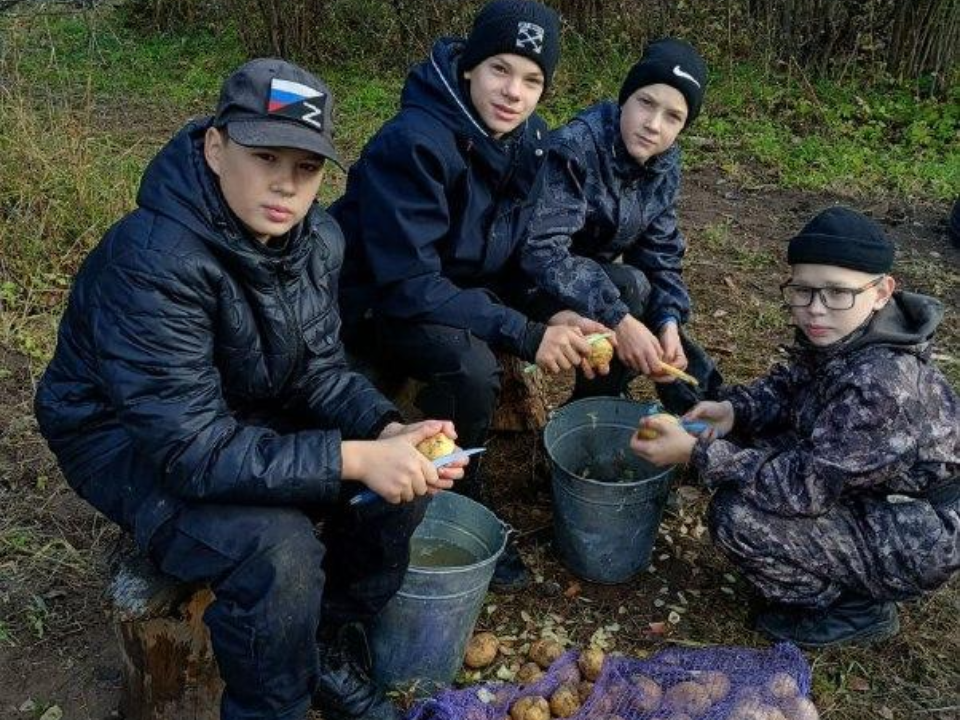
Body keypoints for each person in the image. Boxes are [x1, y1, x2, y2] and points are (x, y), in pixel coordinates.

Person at [34, 58, 467, 720]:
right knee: (277, 551)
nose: (286, 186)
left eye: (307, 168)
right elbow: (191, 451)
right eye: (266, 156)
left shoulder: (317, 237)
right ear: (215, 148)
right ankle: (275, 703)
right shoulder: (152, 260)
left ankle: (321, 643)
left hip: (234, 403)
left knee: (400, 484)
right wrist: (350, 458)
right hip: (124, 438)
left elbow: (318, 369)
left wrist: (385, 430)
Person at [331, 0, 607, 591]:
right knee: (472, 365)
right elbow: (408, 284)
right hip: (376, 300)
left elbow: (504, 259)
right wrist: (527, 335)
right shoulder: (414, 143)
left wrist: (549, 310)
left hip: (446, 289)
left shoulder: (525, 141)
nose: (514, 92)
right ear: (469, 69)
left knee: (496, 338)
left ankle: (458, 486)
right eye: (500, 70)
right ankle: (458, 493)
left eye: (533, 80)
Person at [630, 206, 960, 648]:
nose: (815, 311)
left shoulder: (884, 385)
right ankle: (841, 578)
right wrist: (733, 411)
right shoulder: (853, 330)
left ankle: (854, 608)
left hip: (919, 530)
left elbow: (804, 488)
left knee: (737, 516)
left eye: (836, 293)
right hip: (873, 487)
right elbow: (791, 385)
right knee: (743, 444)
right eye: (802, 291)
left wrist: (696, 453)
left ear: (882, 291)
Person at [520, 38, 722, 412]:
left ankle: (704, 417)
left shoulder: (662, 165)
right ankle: (594, 407)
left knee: (649, 306)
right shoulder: (574, 149)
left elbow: (660, 253)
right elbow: (541, 252)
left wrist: (668, 321)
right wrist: (621, 319)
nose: (653, 125)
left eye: (673, 117)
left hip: (593, 283)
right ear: (625, 99)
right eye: (646, 103)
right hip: (525, 281)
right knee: (628, 288)